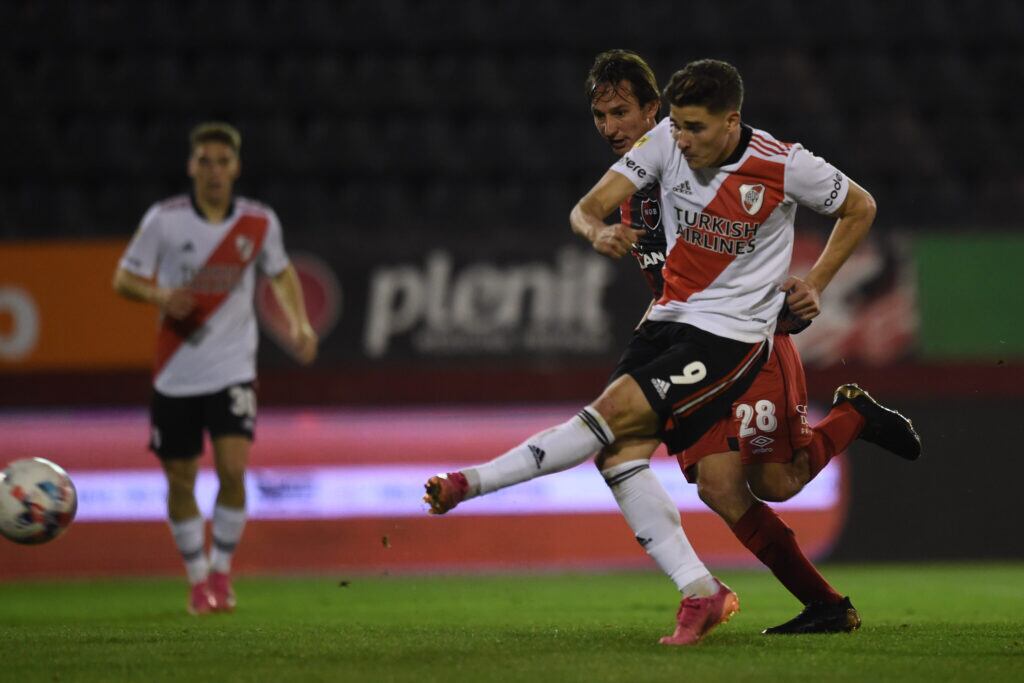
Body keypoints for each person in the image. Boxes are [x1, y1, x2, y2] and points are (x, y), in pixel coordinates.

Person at [425, 56, 915, 642]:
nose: (611, 128)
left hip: (745, 342)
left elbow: (856, 206)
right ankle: (784, 602)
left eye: (622, 113)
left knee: (777, 482)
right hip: (679, 335)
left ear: (656, 110)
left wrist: (813, 285)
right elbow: (598, 216)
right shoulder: (654, 159)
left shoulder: (768, 162)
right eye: (600, 116)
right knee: (711, 484)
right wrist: (602, 236)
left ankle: (852, 417)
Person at [113, 122, 318, 615]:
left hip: (232, 370)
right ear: (191, 166)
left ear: (235, 168)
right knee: (181, 481)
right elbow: (124, 278)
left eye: (222, 162)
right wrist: (161, 294)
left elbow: (282, 271)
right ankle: (196, 579)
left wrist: (299, 323)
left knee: (232, 468)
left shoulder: (258, 222)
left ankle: (222, 574)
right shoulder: (165, 221)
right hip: (175, 373)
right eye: (204, 161)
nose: (214, 171)